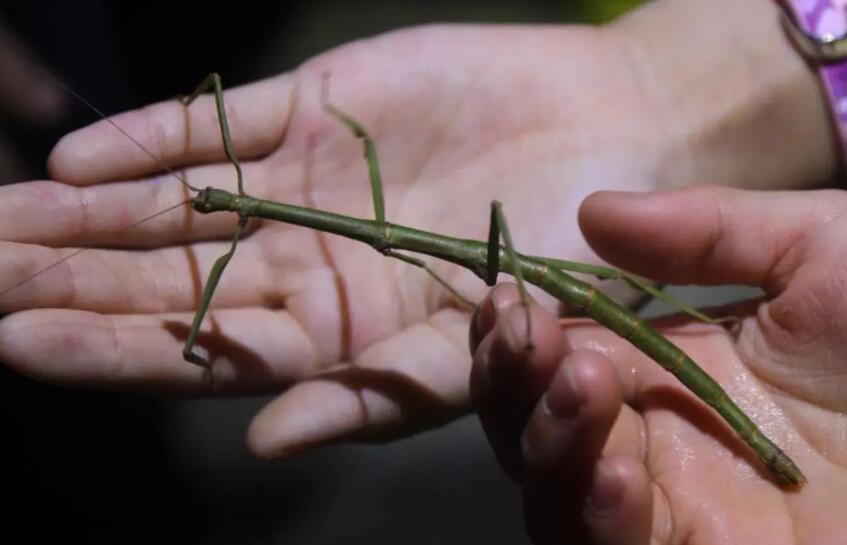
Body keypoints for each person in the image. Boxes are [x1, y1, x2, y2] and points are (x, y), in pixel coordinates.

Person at [0, 0, 843, 542]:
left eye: (224, 205)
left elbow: (253, 112)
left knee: (582, 302)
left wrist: (195, 338)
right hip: (515, 264)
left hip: (529, 265)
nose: (223, 209)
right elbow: (334, 138)